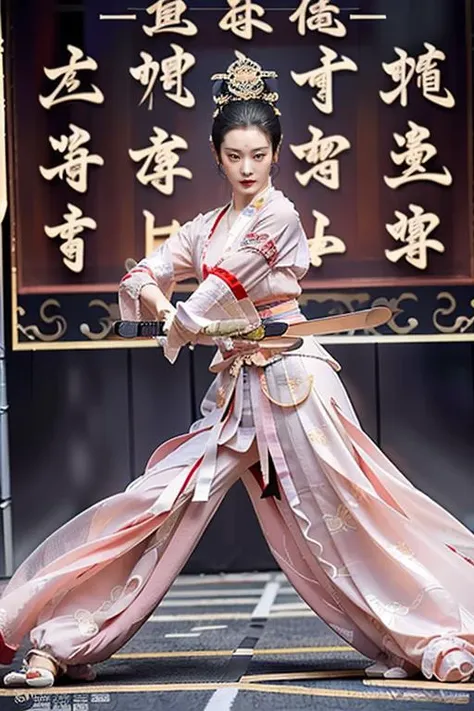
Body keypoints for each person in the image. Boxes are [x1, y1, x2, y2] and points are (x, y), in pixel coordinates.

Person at [2, 51, 474, 689]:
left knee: (356, 518)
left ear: (276, 152)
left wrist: (183, 318)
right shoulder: (204, 226)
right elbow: (142, 274)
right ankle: (56, 641)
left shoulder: (279, 216)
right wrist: (162, 303)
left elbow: (222, 287)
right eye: (234, 156)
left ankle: (438, 636)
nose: (247, 168)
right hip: (234, 398)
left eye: (258, 154)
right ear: (218, 158)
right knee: (156, 506)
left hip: (297, 387)